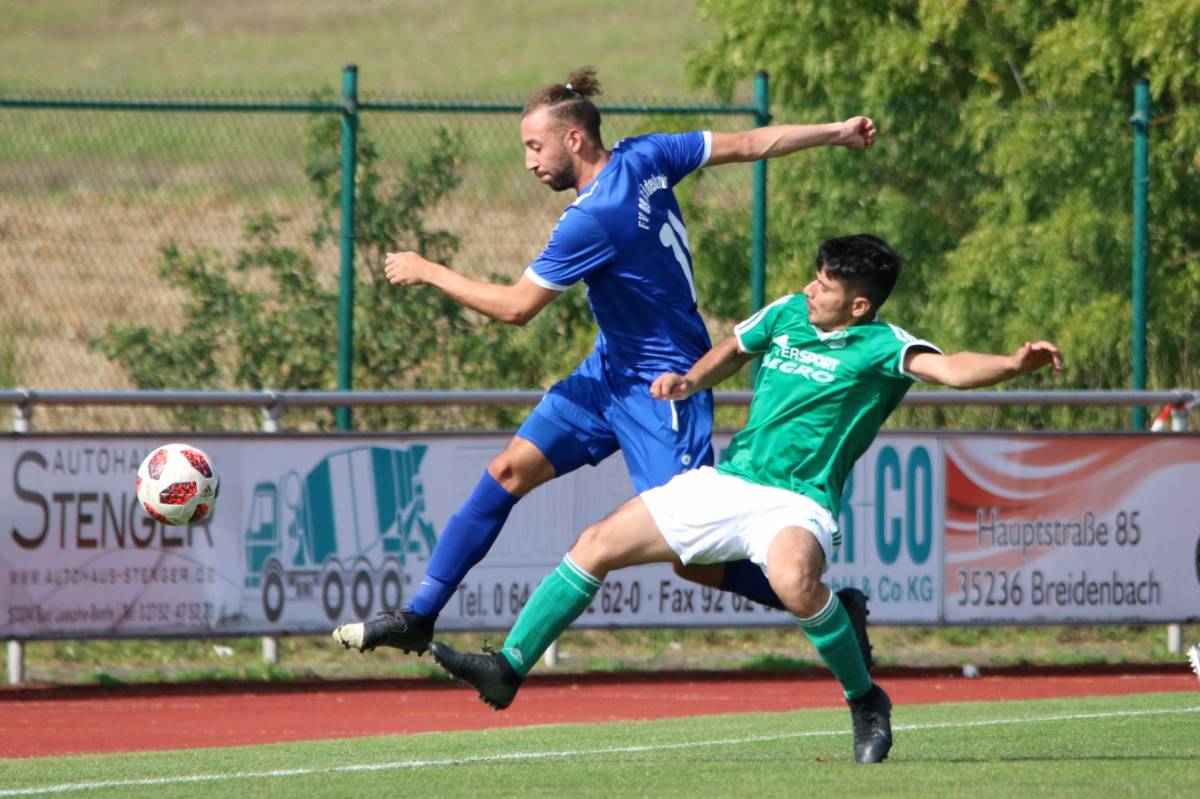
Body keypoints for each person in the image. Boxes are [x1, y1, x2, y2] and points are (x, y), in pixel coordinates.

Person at [428, 233, 1065, 765]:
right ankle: (509, 667)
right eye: (814, 280)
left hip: (799, 501)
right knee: (595, 546)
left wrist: (1013, 363)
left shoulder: (885, 346)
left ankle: (865, 700)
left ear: (860, 305)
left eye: (826, 288)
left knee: (792, 580)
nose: (812, 290)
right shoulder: (789, 313)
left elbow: (952, 369)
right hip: (731, 481)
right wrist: (690, 379)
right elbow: (736, 349)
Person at [332, 67, 880, 656]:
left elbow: (518, 308)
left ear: (573, 139)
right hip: (608, 372)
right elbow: (750, 143)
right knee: (506, 473)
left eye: (534, 146)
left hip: (665, 386)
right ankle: (421, 615)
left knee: (689, 557)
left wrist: (430, 270)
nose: (527, 161)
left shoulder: (592, 218)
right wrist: (836, 131)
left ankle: (831, 604)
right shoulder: (646, 155)